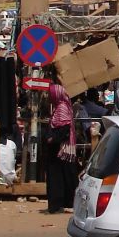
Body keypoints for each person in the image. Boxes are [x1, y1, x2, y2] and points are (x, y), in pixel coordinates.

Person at [45, 77, 78, 214]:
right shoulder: (60, 107)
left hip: (60, 150)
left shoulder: (62, 108)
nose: (49, 96)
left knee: (57, 178)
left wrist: (52, 139)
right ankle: (63, 203)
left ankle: (57, 204)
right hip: (61, 150)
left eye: (50, 94)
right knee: (63, 177)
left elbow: (64, 130)